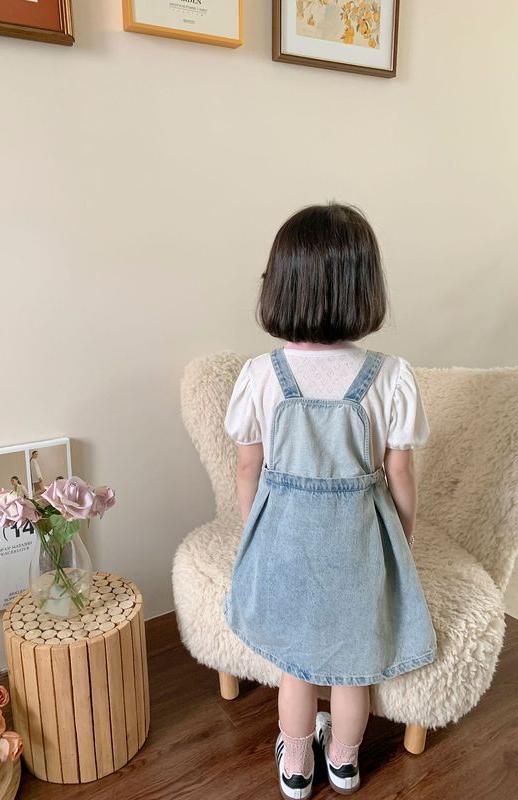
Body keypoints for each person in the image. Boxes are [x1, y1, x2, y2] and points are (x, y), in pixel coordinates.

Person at [222, 204, 437, 798]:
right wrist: (401, 542)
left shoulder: (260, 374)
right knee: (352, 668)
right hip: (359, 543)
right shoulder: (390, 376)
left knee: (294, 667)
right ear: (364, 287)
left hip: (285, 541)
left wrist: (256, 532)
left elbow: (247, 468)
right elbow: (400, 474)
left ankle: (296, 764)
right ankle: (343, 761)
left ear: (279, 284)